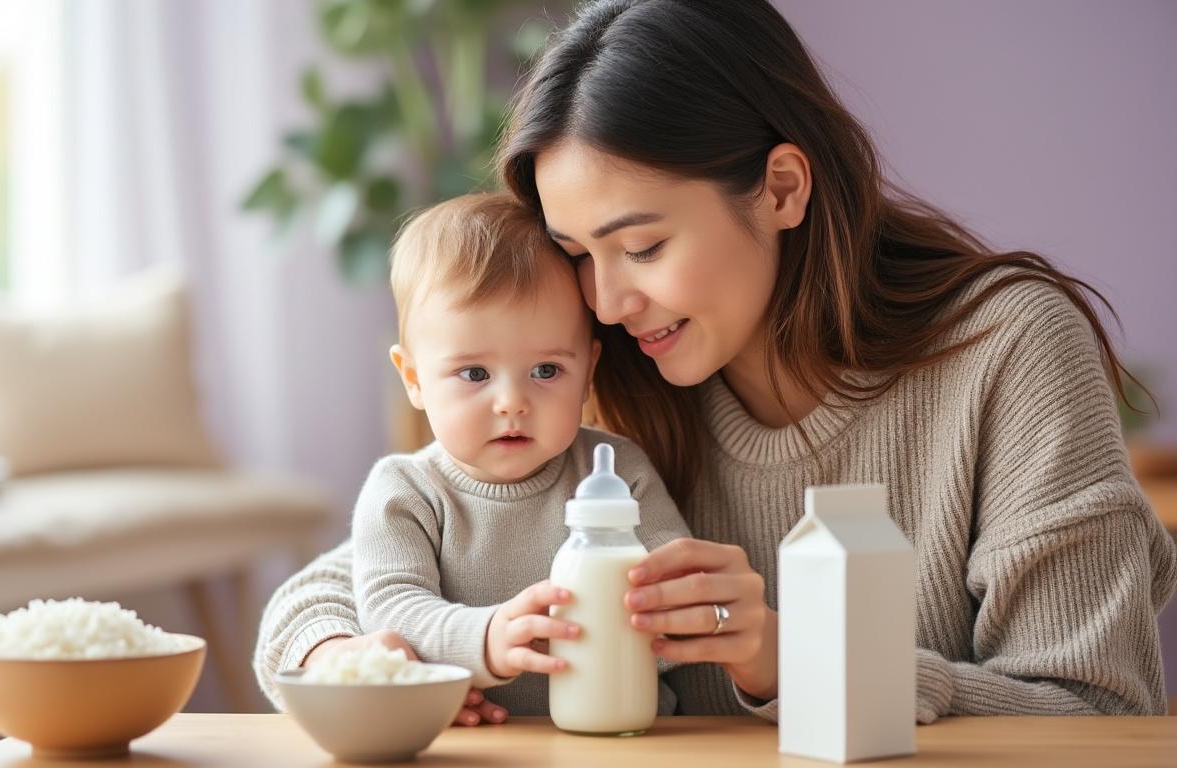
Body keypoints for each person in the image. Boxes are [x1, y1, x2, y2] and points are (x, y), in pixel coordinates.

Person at [257, 0, 1176, 726]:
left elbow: (1098, 713)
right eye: (577, 253)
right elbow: (333, 593)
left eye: (643, 247)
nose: (606, 303)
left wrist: (792, 656)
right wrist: (350, 657)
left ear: (781, 187)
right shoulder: (594, 370)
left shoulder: (1008, 352)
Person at [299, 192, 690, 718]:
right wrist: (486, 640)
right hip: (473, 744)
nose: (512, 403)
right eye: (475, 374)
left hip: (619, 732)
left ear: (588, 372)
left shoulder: (614, 473)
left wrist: (658, 614)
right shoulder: (406, 492)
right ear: (414, 379)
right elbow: (390, 613)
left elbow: (671, 591)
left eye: (547, 371)